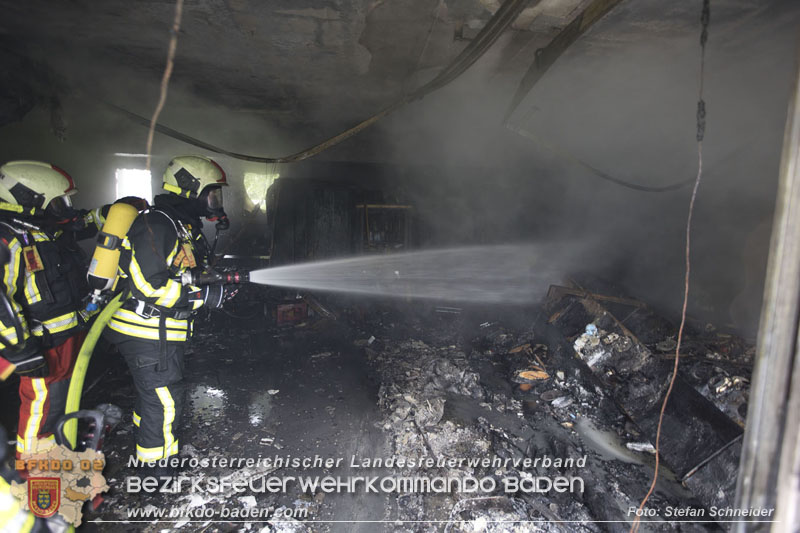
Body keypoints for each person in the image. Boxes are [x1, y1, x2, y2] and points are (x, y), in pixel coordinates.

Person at [106, 155, 231, 464]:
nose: (215, 201)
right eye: (211, 193)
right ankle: (157, 474)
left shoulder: (178, 225)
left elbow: (181, 272)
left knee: (154, 400)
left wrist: (209, 285)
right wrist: (202, 298)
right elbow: (148, 286)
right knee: (163, 402)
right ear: (189, 190)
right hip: (146, 331)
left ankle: (149, 452)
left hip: (160, 331)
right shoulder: (157, 223)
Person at [0, 160, 94, 458]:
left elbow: (78, 224)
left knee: (62, 405)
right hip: (40, 346)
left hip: (64, 338)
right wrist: (20, 350)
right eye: (58, 202)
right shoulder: (8, 239)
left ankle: (58, 460)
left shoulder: (41, 231)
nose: (64, 208)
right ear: (31, 201)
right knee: (41, 411)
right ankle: (34, 476)